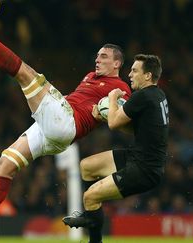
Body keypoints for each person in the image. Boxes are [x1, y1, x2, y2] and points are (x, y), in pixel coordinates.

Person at [0, 3, 131, 242]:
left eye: (104, 57)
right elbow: (84, 102)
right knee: (5, 163)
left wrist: (106, 111)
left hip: (65, 122)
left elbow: (121, 116)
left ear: (117, 64)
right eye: (97, 55)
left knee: (26, 73)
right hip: (55, 132)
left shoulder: (121, 88)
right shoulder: (90, 77)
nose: (97, 60)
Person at [62, 54, 169, 243]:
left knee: (90, 196)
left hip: (144, 169)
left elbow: (113, 123)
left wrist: (111, 99)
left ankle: (93, 223)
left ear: (147, 76)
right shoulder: (157, 95)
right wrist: (106, 113)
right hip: (140, 158)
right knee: (87, 166)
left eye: (135, 71)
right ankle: (92, 211)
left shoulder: (143, 96)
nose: (130, 74)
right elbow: (131, 128)